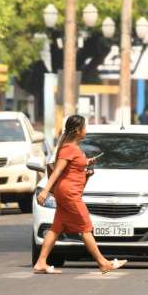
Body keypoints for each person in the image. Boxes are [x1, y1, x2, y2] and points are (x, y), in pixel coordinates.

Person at [33, 115, 127, 275]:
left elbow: (73, 171)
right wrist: (45, 190)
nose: (86, 130)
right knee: (85, 227)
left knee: (57, 227)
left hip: (69, 192)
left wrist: (86, 170)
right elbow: (58, 171)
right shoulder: (69, 148)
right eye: (85, 127)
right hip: (69, 194)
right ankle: (103, 263)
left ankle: (41, 262)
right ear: (78, 130)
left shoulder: (73, 149)